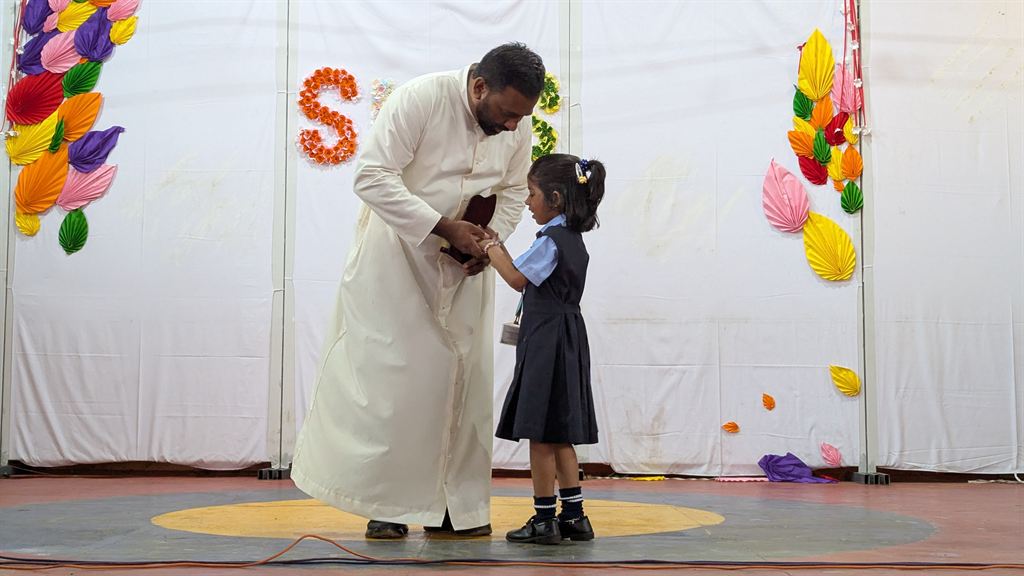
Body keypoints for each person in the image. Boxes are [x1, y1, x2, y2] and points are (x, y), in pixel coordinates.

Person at [290, 43, 545, 539]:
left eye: (522, 117)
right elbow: (371, 176)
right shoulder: (420, 99)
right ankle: (388, 505)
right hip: (397, 261)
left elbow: (514, 190)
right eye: (507, 113)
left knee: (464, 382)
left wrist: (488, 243)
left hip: (465, 265)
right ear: (479, 87)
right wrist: (441, 227)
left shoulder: (518, 125)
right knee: (400, 387)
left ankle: (455, 507)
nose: (514, 125)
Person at [478, 153, 605, 544]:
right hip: (568, 336)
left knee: (540, 433)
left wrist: (490, 248)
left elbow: (517, 278)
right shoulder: (573, 240)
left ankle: (544, 518)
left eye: (532, 194)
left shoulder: (550, 240)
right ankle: (575, 516)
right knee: (561, 432)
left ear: (555, 198)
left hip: (546, 340)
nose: (528, 202)